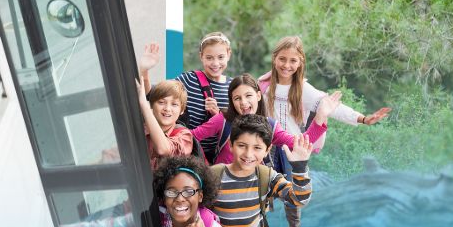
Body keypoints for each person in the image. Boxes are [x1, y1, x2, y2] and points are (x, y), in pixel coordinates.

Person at [258, 36, 391, 227]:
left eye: (293, 61)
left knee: (293, 188)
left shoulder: (302, 88)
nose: (287, 65)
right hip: (266, 145)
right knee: (261, 187)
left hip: (293, 147)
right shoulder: (262, 85)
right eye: (282, 59)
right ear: (274, 58)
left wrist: (362, 118)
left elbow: (330, 106)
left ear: (300, 62)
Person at [191, 73, 339, 166]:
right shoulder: (222, 120)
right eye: (237, 98)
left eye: (248, 95)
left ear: (258, 95)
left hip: (254, 191)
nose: (243, 102)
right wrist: (205, 167)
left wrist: (321, 116)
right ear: (232, 101)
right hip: (222, 188)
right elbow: (190, 137)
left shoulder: (270, 126)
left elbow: (300, 144)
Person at [171, 32, 234, 162]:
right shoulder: (188, 80)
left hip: (219, 159)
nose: (215, 63)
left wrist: (218, 114)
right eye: (209, 58)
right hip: (188, 154)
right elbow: (161, 94)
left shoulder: (233, 88)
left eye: (221, 57)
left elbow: (238, 128)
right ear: (201, 56)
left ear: (229, 55)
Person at [136, 78, 194, 170]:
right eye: (161, 102)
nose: (167, 108)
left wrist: (144, 107)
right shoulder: (139, 130)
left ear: (182, 110)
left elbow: (163, 149)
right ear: (152, 105)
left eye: (174, 104)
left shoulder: (184, 136)